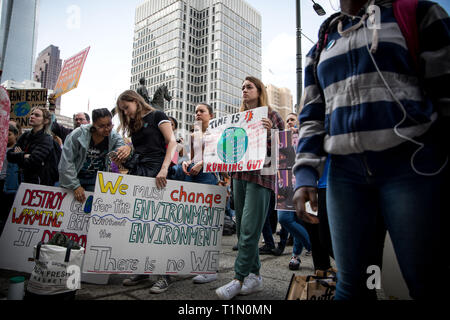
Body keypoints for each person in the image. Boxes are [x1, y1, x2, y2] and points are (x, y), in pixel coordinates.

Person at [293, 0, 449, 300]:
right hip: (345, 177)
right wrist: (304, 175)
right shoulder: (323, 41)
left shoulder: (417, 14)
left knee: (427, 281)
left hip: (412, 169)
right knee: (355, 286)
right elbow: (311, 115)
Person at [215, 76, 285, 300]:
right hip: (239, 176)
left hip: (261, 178)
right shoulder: (238, 118)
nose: (244, 90)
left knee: (249, 229)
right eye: (242, 87)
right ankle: (255, 277)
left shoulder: (272, 116)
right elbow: (229, 146)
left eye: (249, 87)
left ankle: (238, 278)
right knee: (241, 229)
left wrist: (271, 132)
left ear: (259, 90)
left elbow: (285, 151)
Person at [116, 90, 177, 294]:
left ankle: (165, 275)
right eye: (122, 111)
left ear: (135, 100)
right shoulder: (133, 124)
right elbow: (139, 150)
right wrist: (125, 155)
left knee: (159, 223)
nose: (126, 113)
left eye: (126, 108)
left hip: (158, 170)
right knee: (140, 222)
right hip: (139, 170)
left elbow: (172, 142)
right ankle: (143, 269)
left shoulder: (157, 115)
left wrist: (164, 168)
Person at [58, 108, 130, 202]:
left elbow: (122, 150)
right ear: (93, 124)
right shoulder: (77, 135)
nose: (107, 129)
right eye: (101, 126)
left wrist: (128, 149)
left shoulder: (114, 136)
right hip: (74, 178)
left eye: (109, 124)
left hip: (95, 181)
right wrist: (75, 186)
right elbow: (66, 162)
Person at [7, 107, 57, 186]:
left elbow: (33, 161)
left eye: (37, 115)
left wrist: (19, 155)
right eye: (32, 114)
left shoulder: (46, 139)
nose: (32, 116)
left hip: (39, 182)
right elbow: (9, 155)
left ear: (45, 121)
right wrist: (24, 155)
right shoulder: (25, 135)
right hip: (23, 179)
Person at [0, 124, 20, 235]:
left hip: (10, 185)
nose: (6, 137)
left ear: (16, 135)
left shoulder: (17, 149)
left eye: (10, 134)